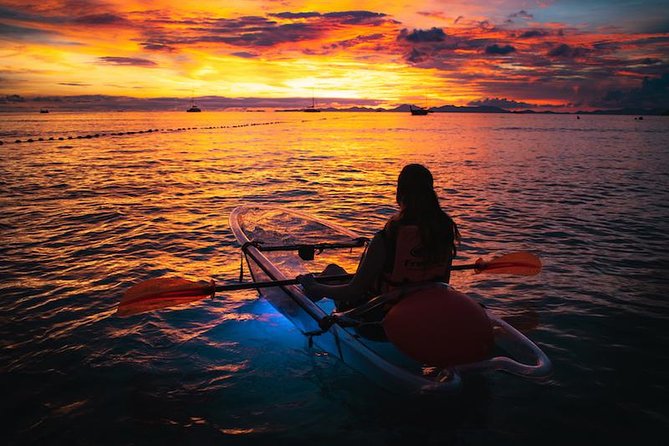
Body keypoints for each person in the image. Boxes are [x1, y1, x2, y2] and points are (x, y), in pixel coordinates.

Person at [298, 163, 460, 311]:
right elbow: (442, 285)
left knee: (332, 272)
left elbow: (353, 292)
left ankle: (295, 311)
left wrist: (314, 286)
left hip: (376, 318)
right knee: (337, 272)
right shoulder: (443, 234)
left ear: (400, 193)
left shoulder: (387, 238)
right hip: (421, 314)